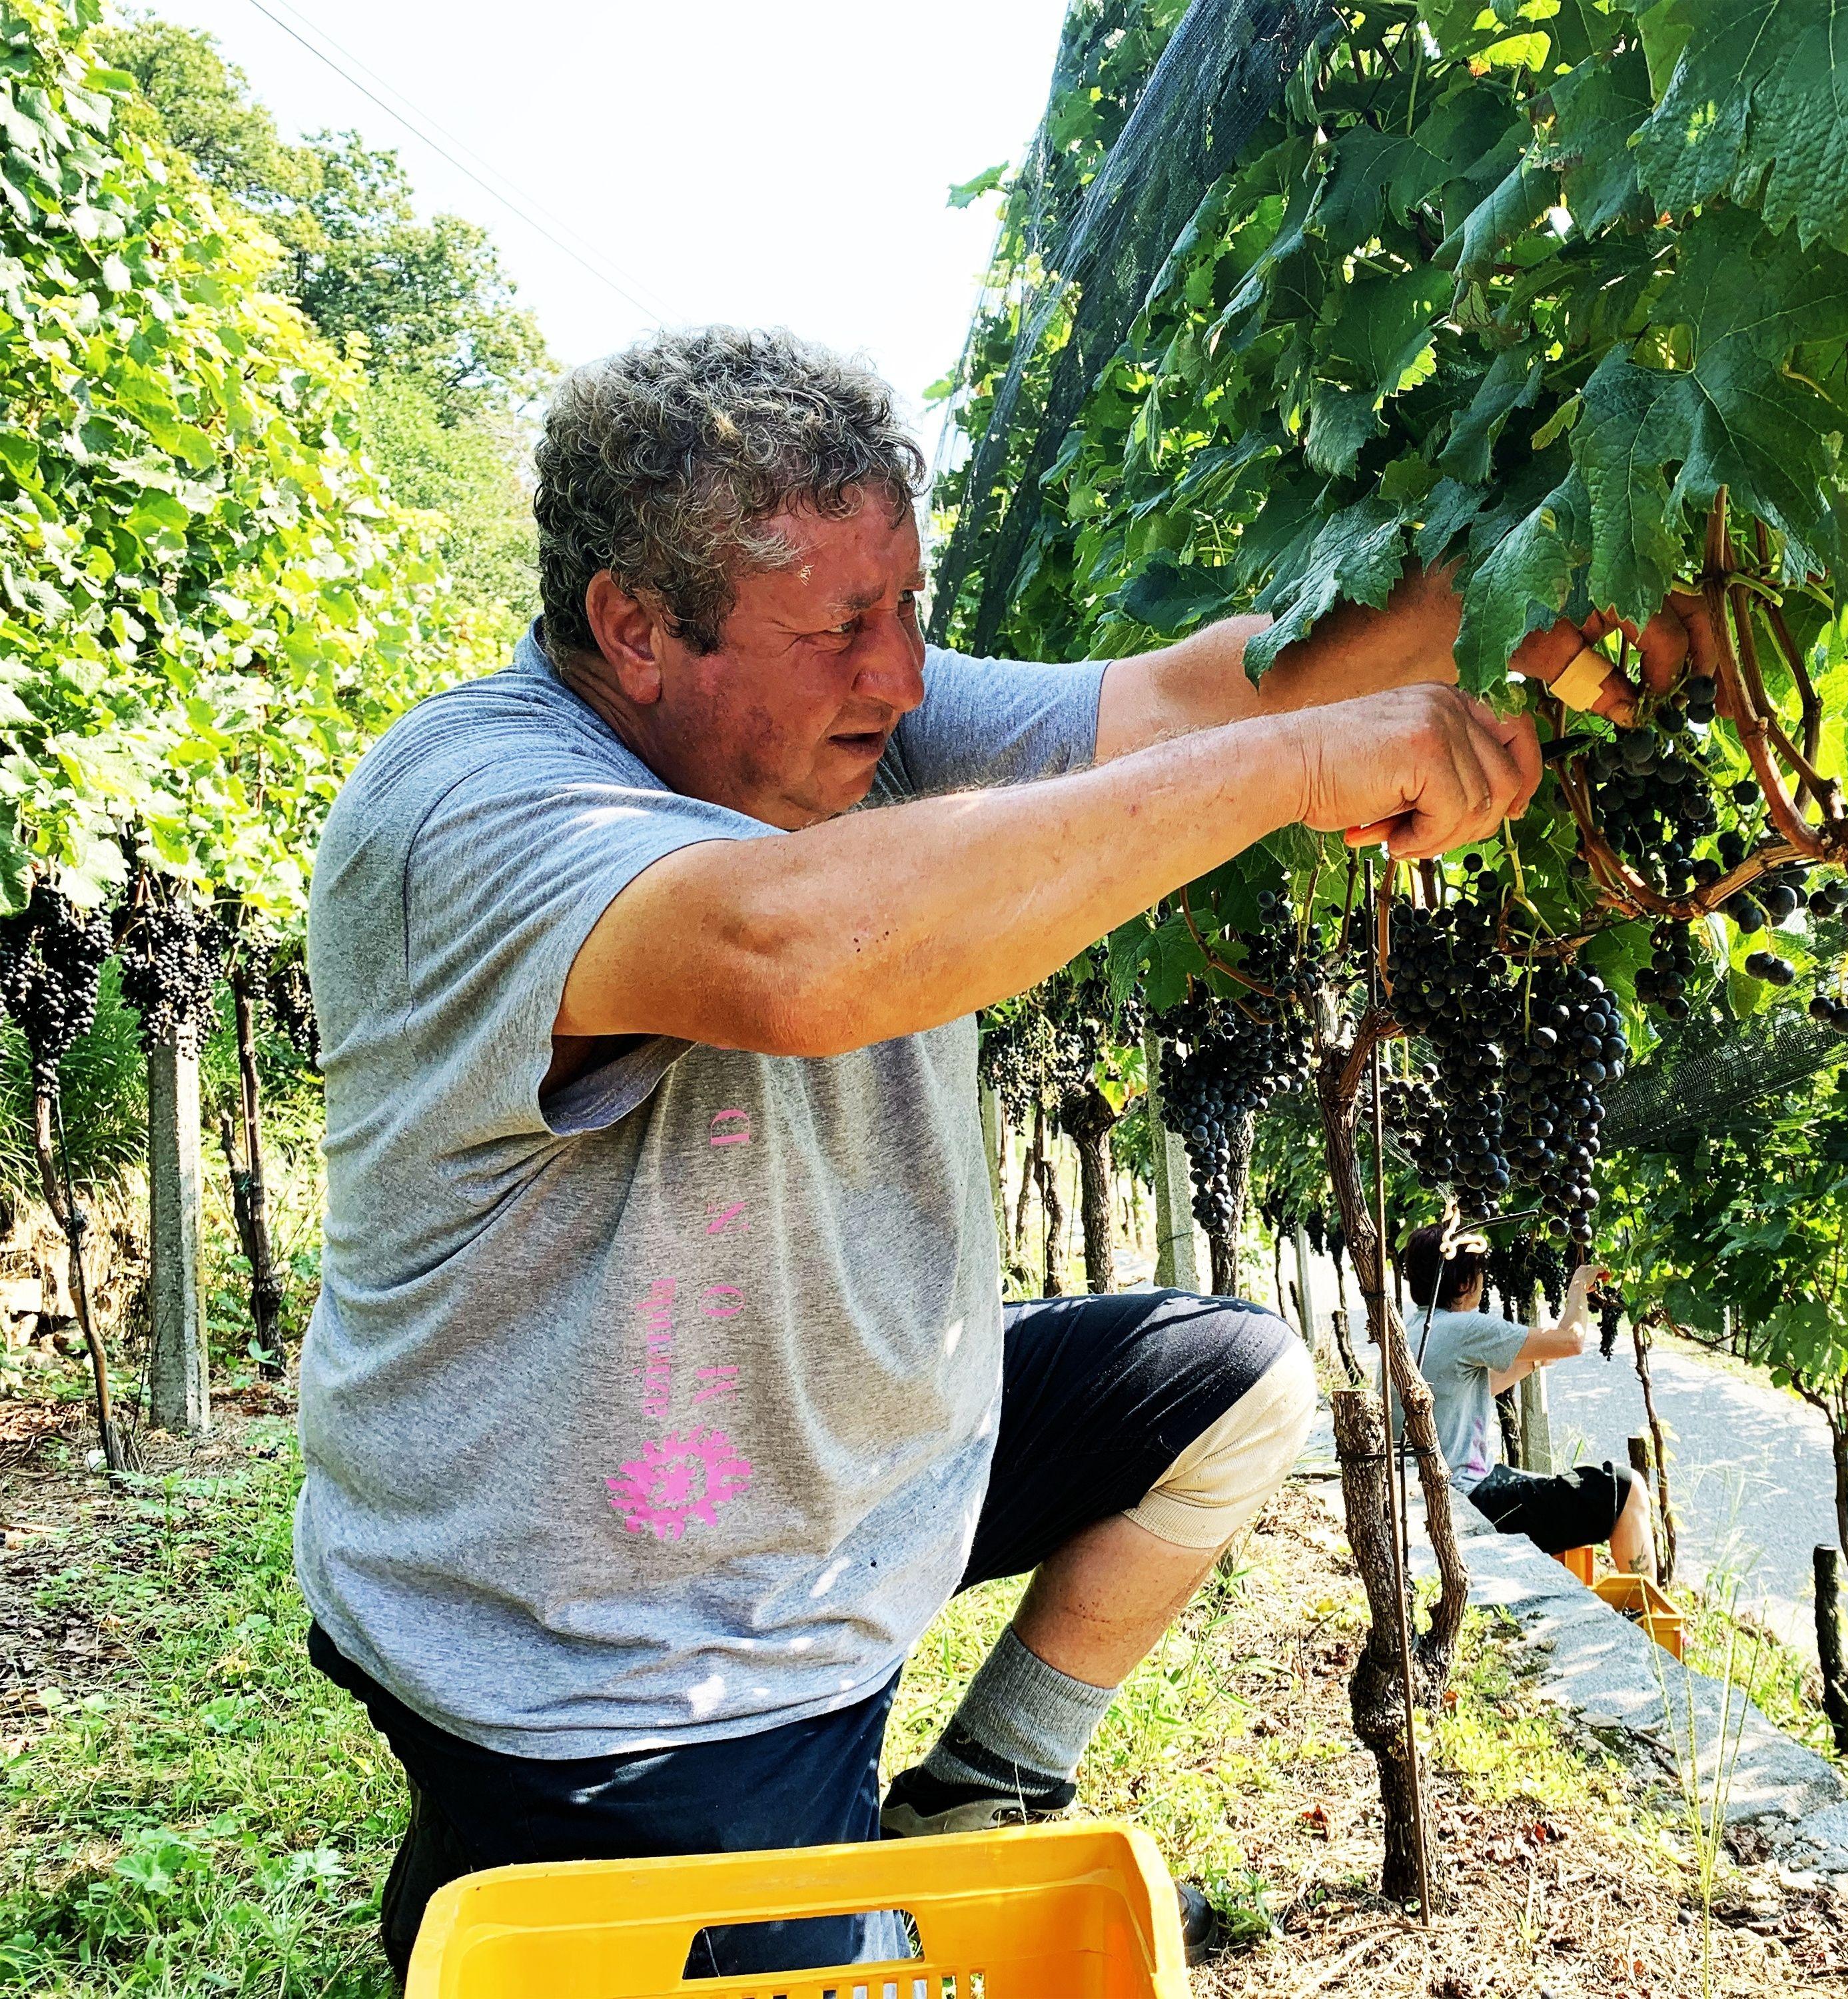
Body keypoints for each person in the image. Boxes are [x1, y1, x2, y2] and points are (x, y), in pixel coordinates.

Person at [294, 326, 1662, 1983]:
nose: (898, 672)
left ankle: (976, 1791)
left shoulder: (854, 730)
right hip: (618, 1639)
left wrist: (1532, 574)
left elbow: (1183, 695)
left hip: (828, 1499)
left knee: (1225, 1381)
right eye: (841, 627)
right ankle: (523, 1852)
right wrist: (1305, 769)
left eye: (910, 607)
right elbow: (793, 957)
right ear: (631, 630)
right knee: (744, 1950)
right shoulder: (470, 805)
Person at [1398, 1223, 1653, 1574]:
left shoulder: (1413, 1330)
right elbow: (1571, 1341)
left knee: (1539, 1482)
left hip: (1428, 1494)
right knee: (1626, 1489)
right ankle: (1643, 1620)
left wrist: (1535, 1356)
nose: (1484, 1281)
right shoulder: (1465, 1328)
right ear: (1462, 1283)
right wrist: (1579, 1286)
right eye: (1480, 1273)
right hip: (1468, 1499)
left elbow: (1468, 1390)